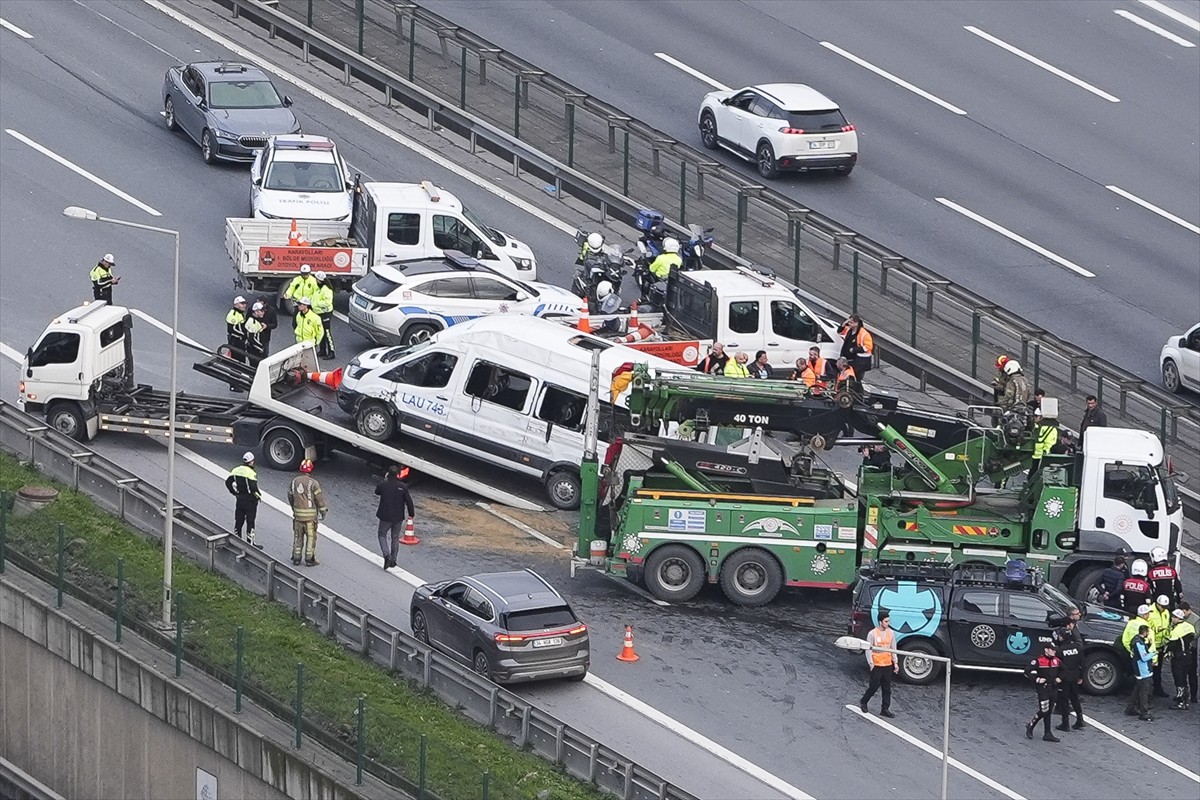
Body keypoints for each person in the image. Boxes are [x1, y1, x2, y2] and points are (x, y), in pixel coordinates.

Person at [287, 459, 328, 567]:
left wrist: (294, 508)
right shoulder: (314, 483)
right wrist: (323, 511)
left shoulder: (294, 481)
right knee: (311, 538)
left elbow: (290, 496)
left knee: (298, 537)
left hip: (297, 517)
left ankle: (296, 558)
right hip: (310, 519)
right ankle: (309, 559)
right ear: (311, 470)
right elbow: (319, 499)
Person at [375, 464, 415, 570]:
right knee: (395, 537)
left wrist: (384, 479)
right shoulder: (402, 487)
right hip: (398, 517)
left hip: (385, 515)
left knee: (382, 535)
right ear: (398, 474)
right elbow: (409, 501)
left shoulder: (384, 485)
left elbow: (377, 491)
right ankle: (393, 559)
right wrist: (411, 513)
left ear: (388, 473)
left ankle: (386, 555)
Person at [858, 610, 897, 718]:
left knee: (887, 688)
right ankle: (864, 701)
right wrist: (871, 663)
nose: (888, 623)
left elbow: (893, 648)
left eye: (888, 621)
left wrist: (895, 662)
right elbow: (868, 650)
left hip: (887, 664)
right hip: (877, 664)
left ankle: (885, 709)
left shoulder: (891, 633)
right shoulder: (872, 634)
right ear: (880, 621)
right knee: (874, 686)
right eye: (886, 621)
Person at [1024, 643, 1062, 741]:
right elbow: (1027, 671)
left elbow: (1064, 670)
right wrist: (1037, 679)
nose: (1054, 651)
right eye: (1052, 650)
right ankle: (1031, 725)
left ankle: (1047, 733)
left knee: (1049, 711)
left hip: (1053, 688)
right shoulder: (1039, 661)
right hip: (1043, 689)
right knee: (1044, 710)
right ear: (1046, 650)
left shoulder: (1056, 661)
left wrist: (1059, 678)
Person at [224, 452, 261, 548]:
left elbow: (228, 482)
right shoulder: (251, 473)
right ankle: (250, 543)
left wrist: (234, 492)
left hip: (240, 499)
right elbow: (253, 487)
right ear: (251, 461)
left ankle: (237, 540)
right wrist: (258, 496)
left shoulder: (236, 470)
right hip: (250, 500)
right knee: (250, 521)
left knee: (239, 519)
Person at [1053, 622, 1086, 731]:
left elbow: (1057, 665)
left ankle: (1065, 723)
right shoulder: (1077, 647)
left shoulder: (1059, 651)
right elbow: (1082, 662)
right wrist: (1081, 676)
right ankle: (1080, 720)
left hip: (1064, 677)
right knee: (1074, 697)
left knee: (1064, 699)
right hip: (1075, 675)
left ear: (1062, 637)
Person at [1167, 609, 1197, 710]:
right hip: (1188, 656)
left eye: (1173, 617)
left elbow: (1171, 645)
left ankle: (1180, 702)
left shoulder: (1176, 631)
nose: (1172, 619)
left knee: (1178, 679)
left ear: (1177, 618)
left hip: (1179, 658)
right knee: (1184, 678)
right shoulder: (1189, 626)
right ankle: (1186, 699)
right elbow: (1192, 636)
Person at [1125, 624, 1156, 721]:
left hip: (1139, 670)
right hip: (1143, 671)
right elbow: (1144, 657)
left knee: (1137, 689)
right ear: (1145, 632)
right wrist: (1154, 653)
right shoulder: (1139, 643)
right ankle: (1144, 713)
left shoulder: (1136, 641)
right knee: (1144, 692)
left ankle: (1130, 708)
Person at [838, 314, 874, 380]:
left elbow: (868, 347)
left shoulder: (864, 334)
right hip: (848, 359)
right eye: (848, 322)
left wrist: (855, 349)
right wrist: (843, 324)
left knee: (857, 379)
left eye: (851, 322)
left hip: (859, 362)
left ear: (856, 323)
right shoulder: (849, 330)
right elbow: (840, 332)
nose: (849, 324)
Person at [1149, 595, 1172, 697]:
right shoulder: (1150, 612)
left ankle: (1157, 688)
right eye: (1162, 606)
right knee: (1148, 669)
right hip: (1151, 645)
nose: (1164, 608)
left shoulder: (1166, 612)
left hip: (1161, 645)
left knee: (1158, 669)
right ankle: (1148, 690)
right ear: (1157, 604)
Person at [225, 295, 249, 390]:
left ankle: (237, 382)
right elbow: (232, 329)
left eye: (245, 304)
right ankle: (233, 385)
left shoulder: (240, 313)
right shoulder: (233, 315)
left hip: (240, 341)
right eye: (242, 304)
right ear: (236, 304)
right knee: (235, 363)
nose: (244, 305)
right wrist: (244, 335)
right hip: (235, 341)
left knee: (241, 362)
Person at [1179, 601, 1200, 704]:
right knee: (1180, 673)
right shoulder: (1179, 616)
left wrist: (1185, 634)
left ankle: (1193, 696)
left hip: (1191, 649)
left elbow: (1196, 634)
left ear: (1189, 611)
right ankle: (1181, 694)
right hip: (1180, 648)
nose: (1182, 615)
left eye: (1184, 612)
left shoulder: (1196, 619)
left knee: (1192, 673)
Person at [312, 271, 336, 359]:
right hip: (318, 313)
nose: (315, 280)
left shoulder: (327, 290)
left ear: (320, 280)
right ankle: (323, 350)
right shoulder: (318, 288)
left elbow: (327, 302)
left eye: (317, 279)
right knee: (320, 332)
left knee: (327, 332)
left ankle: (331, 352)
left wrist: (316, 303)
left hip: (325, 313)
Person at [1030, 407, 1058, 476]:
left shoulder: (1049, 429)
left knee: (1035, 475)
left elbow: (1049, 444)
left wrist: (1047, 456)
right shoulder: (1036, 426)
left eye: (1036, 416)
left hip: (1041, 457)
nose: (1034, 418)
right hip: (1034, 455)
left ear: (1041, 417)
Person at [244, 303, 269, 369]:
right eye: (262, 311)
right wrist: (261, 347)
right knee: (255, 368)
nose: (263, 313)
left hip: (257, 349)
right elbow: (252, 339)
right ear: (256, 311)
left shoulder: (258, 320)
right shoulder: (252, 322)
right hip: (254, 350)